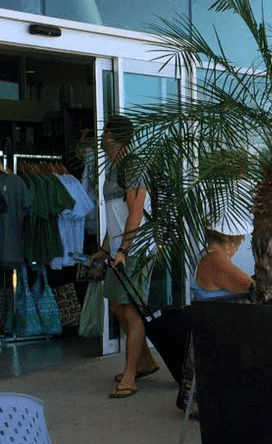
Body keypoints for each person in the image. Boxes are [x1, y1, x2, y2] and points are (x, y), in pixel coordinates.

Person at [180, 215, 272, 414]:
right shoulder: (216, 260)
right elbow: (260, 289)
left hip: (210, 334)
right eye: (239, 236)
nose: (242, 241)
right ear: (227, 238)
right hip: (218, 337)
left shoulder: (207, 255)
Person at [94, 115, 160, 399]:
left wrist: (124, 250)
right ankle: (145, 361)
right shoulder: (113, 168)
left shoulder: (133, 165)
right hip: (120, 250)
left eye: (105, 131)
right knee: (117, 307)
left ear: (113, 136)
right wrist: (106, 247)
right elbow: (115, 213)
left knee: (131, 310)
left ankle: (130, 377)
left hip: (137, 249)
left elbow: (135, 211)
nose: (102, 137)